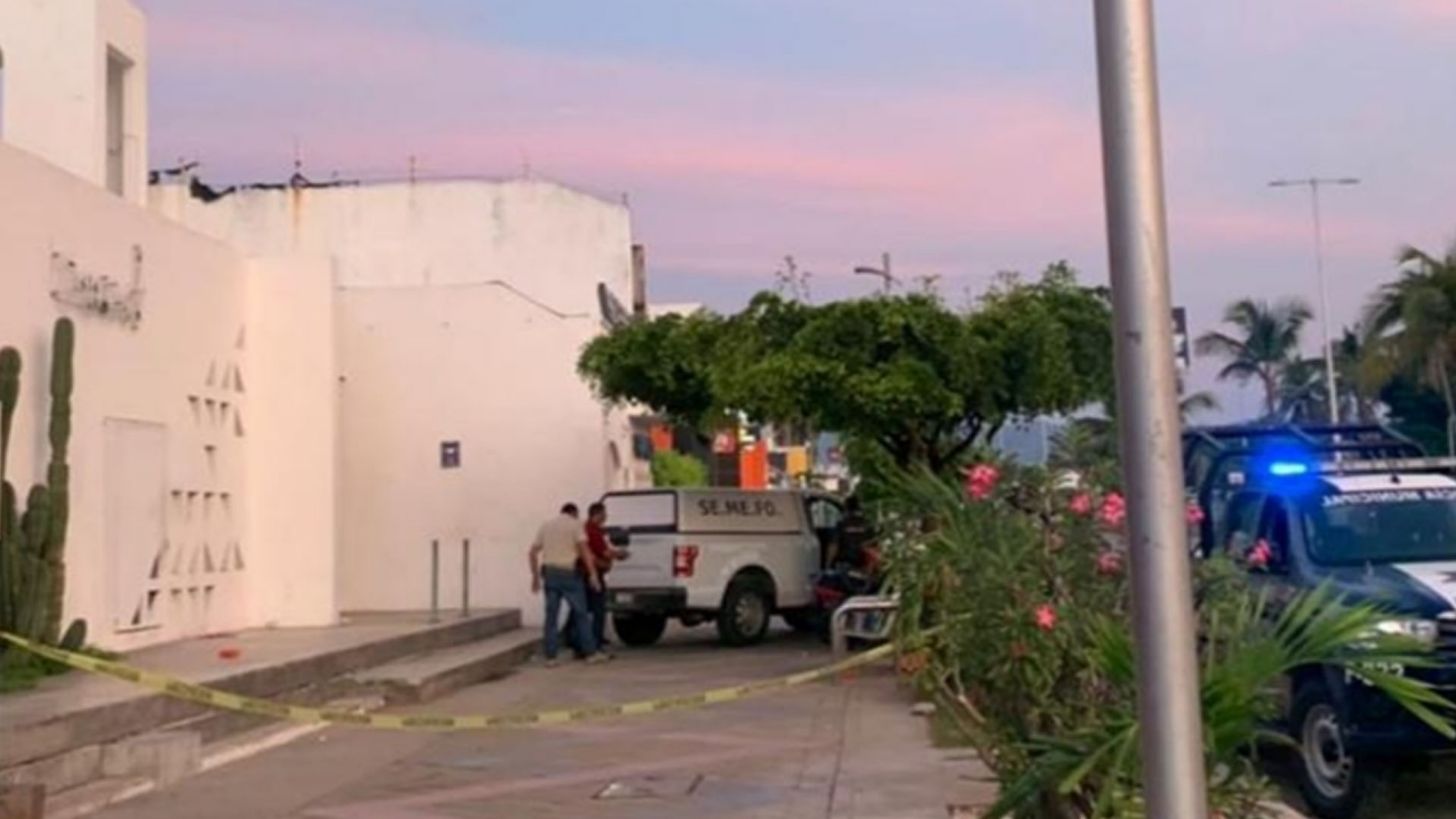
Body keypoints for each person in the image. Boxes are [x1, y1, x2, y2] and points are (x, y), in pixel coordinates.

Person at [528, 503, 606, 666]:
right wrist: (593, 574)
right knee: (581, 614)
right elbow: (584, 551)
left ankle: (551, 656)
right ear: (574, 513)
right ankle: (590, 653)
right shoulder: (575, 525)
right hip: (570, 574)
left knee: (551, 616)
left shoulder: (546, 525)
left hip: (550, 574)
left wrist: (535, 577)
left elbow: (532, 552)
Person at [566, 502, 629, 655]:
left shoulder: (585, 529)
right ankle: (595, 643)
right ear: (598, 514)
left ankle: (578, 643)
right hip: (592, 575)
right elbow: (602, 552)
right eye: (604, 514)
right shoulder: (593, 531)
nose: (606, 517)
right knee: (598, 610)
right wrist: (619, 554)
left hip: (583, 574)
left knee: (581, 609)